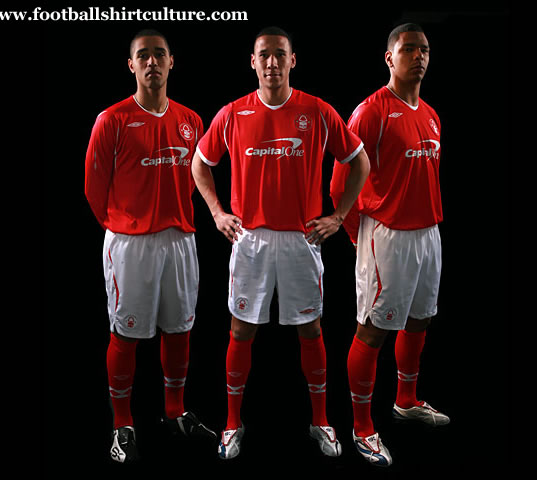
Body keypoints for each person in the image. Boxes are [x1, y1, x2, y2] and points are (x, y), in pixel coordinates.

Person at [191, 26, 370, 460]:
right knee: (241, 329)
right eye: (264, 55)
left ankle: (321, 421)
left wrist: (338, 216)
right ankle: (232, 423)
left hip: (301, 239)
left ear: (293, 60)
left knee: (311, 328)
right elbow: (200, 162)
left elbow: (360, 162)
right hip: (250, 239)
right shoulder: (233, 113)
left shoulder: (318, 111)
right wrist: (217, 212)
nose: (272, 62)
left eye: (280, 54)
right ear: (252, 62)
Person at [84, 29, 216, 464]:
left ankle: (175, 412)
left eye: (160, 54)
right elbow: (94, 189)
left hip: (179, 240)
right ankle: (122, 424)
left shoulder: (191, 120)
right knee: (126, 333)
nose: (152, 62)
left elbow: (195, 181)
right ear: (131, 65)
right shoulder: (112, 120)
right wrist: (124, 226)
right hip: (131, 244)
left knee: (179, 328)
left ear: (172, 62)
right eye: (144, 55)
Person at [330, 23, 450, 467]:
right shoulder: (370, 112)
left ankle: (406, 400)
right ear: (389, 57)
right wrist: (358, 234)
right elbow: (340, 184)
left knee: (420, 319)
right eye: (409, 49)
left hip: (429, 232)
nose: (419, 56)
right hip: (387, 236)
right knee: (373, 329)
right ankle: (362, 428)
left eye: (425, 50)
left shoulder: (431, 114)